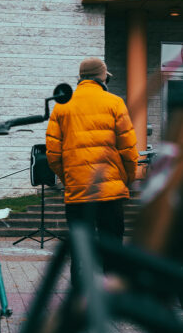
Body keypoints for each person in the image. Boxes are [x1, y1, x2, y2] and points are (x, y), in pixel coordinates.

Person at [45, 57, 138, 282]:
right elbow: (128, 149)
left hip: (78, 191)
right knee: (112, 244)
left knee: (80, 246)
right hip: (110, 191)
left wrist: (68, 178)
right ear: (102, 77)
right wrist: (126, 179)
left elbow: (53, 153)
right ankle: (112, 292)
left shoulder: (62, 105)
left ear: (80, 78)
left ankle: (79, 291)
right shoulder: (114, 102)